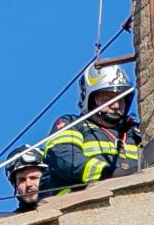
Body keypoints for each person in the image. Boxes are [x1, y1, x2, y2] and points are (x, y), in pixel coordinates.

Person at [42, 64, 142, 196]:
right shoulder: (72, 124)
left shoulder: (136, 132)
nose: (116, 105)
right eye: (106, 99)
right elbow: (65, 158)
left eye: (121, 99)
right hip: (80, 204)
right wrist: (111, 173)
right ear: (89, 100)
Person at [0, 146, 49, 225]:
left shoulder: (66, 208)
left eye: (33, 178)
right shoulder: (2, 221)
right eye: (22, 180)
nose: (28, 184)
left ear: (46, 178)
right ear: (15, 185)